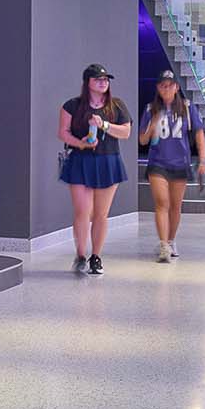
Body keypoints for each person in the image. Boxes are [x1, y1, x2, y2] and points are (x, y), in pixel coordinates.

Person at [57, 63, 133, 275]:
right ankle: (80, 255)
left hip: (108, 160)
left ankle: (96, 256)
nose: (103, 82)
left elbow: (126, 132)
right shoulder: (72, 105)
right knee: (82, 211)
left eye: (106, 79)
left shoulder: (116, 106)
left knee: (101, 213)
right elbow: (63, 132)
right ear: (87, 83)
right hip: (81, 160)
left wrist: (104, 126)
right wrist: (80, 143)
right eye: (98, 79)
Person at [140, 70, 205, 263]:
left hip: (180, 162)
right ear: (158, 88)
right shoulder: (150, 109)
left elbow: (199, 133)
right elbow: (142, 140)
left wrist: (202, 160)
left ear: (177, 87)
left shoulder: (186, 107)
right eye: (162, 85)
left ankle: (171, 239)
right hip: (157, 163)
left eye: (170, 85)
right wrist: (153, 123)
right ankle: (163, 245)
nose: (166, 88)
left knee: (175, 206)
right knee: (162, 203)